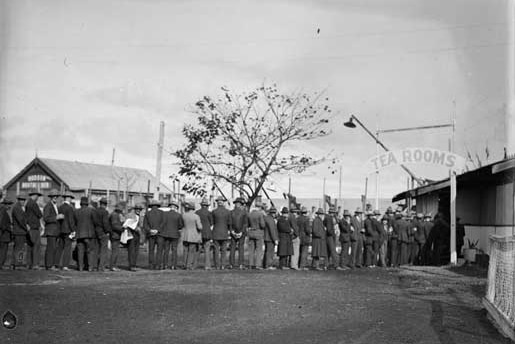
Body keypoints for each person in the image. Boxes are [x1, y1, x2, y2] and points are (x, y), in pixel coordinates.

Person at [43, 189, 64, 270]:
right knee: (50, 249)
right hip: (50, 231)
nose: (55, 197)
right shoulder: (48, 206)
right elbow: (46, 218)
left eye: (56, 196)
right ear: (51, 197)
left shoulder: (55, 206)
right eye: (53, 196)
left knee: (53, 248)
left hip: (54, 231)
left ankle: (50, 264)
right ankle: (49, 265)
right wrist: (56, 217)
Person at [160, 200, 183, 269]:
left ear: (170, 206)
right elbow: (180, 225)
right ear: (176, 207)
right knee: (174, 250)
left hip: (166, 234)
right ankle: (173, 265)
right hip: (175, 234)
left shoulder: (165, 214)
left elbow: (162, 223)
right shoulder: (178, 215)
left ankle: (165, 264)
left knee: (166, 250)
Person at [55, 192, 76, 271]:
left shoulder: (60, 207)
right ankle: (65, 265)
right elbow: (71, 220)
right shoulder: (70, 208)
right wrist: (73, 230)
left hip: (61, 230)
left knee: (60, 247)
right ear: (69, 198)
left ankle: (56, 263)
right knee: (68, 248)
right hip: (68, 230)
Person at [74, 197, 95, 271]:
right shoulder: (91, 211)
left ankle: (80, 267)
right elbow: (95, 221)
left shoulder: (76, 211)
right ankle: (90, 267)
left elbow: (75, 222)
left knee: (80, 251)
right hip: (89, 234)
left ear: (80, 203)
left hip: (79, 234)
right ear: (87, 203)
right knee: (90, 251)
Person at [143, 199, 164, 270]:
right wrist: (157, 230)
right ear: (158, 206)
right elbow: (163, 223)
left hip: (150, 234)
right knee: (159, 250)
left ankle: (151, 265)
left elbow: (145, 225)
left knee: (151, 250)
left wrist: (150, 230)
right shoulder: (162, 213)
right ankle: (158, 265)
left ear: (151, 206)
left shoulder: (147, 213)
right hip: (160, 234)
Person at [181, 202, 203, 270]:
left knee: (185, 250)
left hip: (185, 235)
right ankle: (188, 265)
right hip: (193, 235)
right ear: (193, 208)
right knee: (191, 251)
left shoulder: (184, 215)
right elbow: (200, 227)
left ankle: (184, 264)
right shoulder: (196, 216)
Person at [212, 196, 231, 270]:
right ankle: (223, 265)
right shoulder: (228, 212)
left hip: (216, 232)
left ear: (217, 202)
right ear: (223, 202)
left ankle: (217, 265)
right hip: (224, 232)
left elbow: (212, 222)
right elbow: (229, 222)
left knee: (216, 250)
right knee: (224, 250)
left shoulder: (214, 212)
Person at [25, 190, 43, 270]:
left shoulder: (27, 203)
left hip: (29, 227)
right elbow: (39, 214)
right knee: (36, 246)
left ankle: (28, 263)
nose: (37, 197)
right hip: (34, 227)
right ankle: (35, 264)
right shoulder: (33, 203)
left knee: (30, 246)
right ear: (34, 195)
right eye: (37, 196)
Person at [92, 197, 111, 271]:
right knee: (103, 250)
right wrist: (108, 231)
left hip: (96, 231)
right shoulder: (105, 212)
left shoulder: (95, 211)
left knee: (96, 250)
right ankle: (101, 267)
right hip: (103, 232)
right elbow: (105, 223)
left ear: (100, 203)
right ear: (105, 204)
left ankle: (94, 266)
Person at [11, 194, 29, 269]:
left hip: (19, 231)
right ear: (18, 200)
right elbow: (21, 220)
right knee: (20, 249)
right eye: (22, 200)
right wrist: (26, 227)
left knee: (18, 248)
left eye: (24, 200)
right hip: (19, 232)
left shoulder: (18, 208)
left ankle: (14, 263)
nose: (23, 201)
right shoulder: (17, 208)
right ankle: (18, 264)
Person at [229, 197, 247, 269]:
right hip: (241, 232)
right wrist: (241, 232)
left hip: (233, 232)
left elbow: (229, 223)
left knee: (232, 248)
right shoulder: (244, 213)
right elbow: (245, 224)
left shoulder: (231, 212)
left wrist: (232, 231)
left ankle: (231, 264)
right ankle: (240, 264)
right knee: (241, 248)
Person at [196, 198, 214, 270]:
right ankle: (207, 266)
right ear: (207, 206)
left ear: (201, 205)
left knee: (197, 250)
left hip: (199, 233)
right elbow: (211, 223)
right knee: (207, 250)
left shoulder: (197, 212)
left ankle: (194, 265)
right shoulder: (209, 213)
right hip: (207, 233)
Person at [125, 204, 144, 271]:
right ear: (135, 209)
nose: (138, 210)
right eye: (137, 209)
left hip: (137, 235)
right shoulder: (130, 215)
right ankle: (131, 265)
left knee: (136, 250)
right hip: (131, 234)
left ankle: (134, 264)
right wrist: (135, 228)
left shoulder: (141, 217)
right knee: (131, 250)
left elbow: (141, 225)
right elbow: (127, 224)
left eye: (140, 209)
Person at [247, 202, 266, 270]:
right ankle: (258, 265)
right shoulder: (260, 214)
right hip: (258, 232)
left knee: (251, 250)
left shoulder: (249, 214)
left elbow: (248, 224)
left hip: (251, 232)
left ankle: (250, 264)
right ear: (260, 207)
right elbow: (262, 225)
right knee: (259, 250)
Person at [109, 202, 125, 271]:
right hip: (115, 235)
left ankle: (113, 265)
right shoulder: (115, 215)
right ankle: (112, 266)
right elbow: (114, 225)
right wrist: (122, 228)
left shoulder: (114, 214)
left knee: (115, 251)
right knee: (115, 251)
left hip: (115, 234)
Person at [0, 198, 14, 269]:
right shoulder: (3, 211)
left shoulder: (2, 211)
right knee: (3, 251)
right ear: (5, 205)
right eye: (8, 205)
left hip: (3, 234)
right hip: (4, 235)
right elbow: (2, 223)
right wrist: (9, 228)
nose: (9, 206)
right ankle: (1, 264)